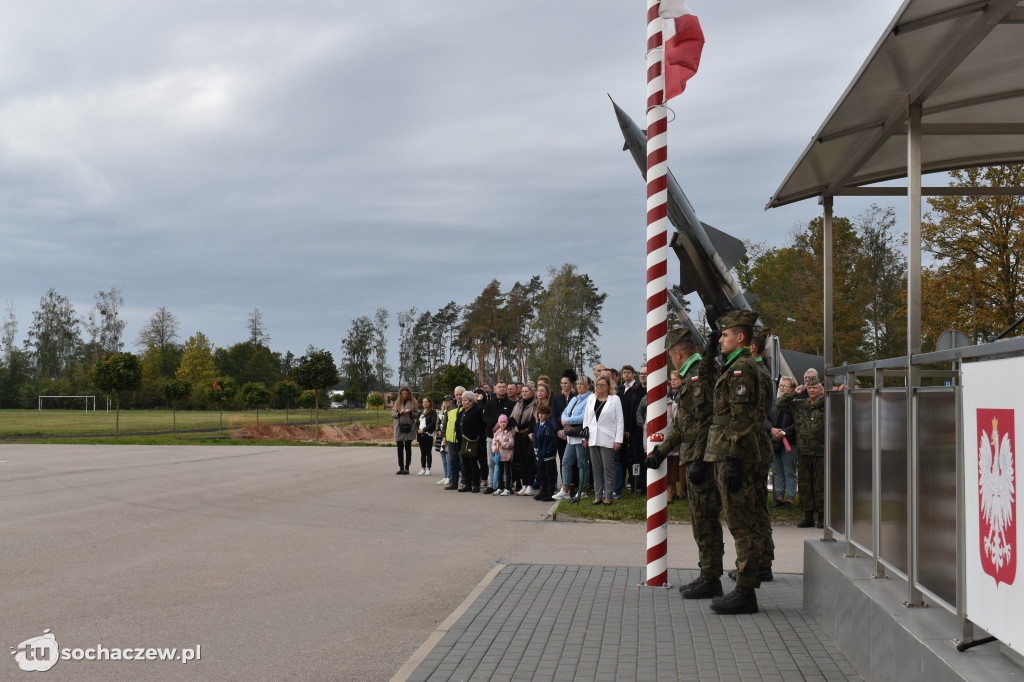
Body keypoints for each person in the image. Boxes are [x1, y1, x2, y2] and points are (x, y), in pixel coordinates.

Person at [647, 327, 721, 600]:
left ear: (678, 354)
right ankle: (707, 574)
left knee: (705, 520)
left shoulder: (697, 376)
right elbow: (683, 425)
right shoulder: (692, 377)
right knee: (699, 520)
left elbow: (705, 424)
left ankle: (711, 577)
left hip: (701, 458)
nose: (672, 363)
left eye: (671, 358)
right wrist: (661, 451)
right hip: (693, 456)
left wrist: (700, 458)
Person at [704, 310, 765, 615]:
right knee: (739, 522)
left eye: (725, 335)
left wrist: (733, 459)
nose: (721, 340)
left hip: (735, 455)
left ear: (741, 337)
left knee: (742, 525)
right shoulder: (733, 367)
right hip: (727, 453)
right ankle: (744, 587)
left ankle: (745, 591)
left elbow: (741, 420)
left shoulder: (742, 369)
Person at [776, 375, 826, 528]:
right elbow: (779, 404)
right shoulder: (800, 404)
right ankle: (808, 516)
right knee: (805, 485)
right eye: (809, 388)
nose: (811, 390)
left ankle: (823, 516)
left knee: (820, 485)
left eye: (814, 387)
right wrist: (795, 393)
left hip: (821, 452)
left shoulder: (826, 404)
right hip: (804, 452)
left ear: (821, 389)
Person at [582, 375, 624, 506]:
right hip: (593, 437)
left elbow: (619, 420)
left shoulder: (615, 399)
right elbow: (586, 418)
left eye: (602, 385)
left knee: (608, 468)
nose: (599, 387)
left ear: (608, 386)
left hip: (608, 438)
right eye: (598, 385)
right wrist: (585, 437)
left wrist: (618, 440)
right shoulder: (590, 398)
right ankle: (598, 496)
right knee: (596, 469)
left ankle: (608, 496)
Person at [555, 376, 592, 501]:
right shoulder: (575, 398)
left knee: (582, 463)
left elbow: (584, 416)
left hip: (580, 435)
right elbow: (565, 412)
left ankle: (582, 490)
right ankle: (565, 489)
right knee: (566, 462)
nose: (579, 386)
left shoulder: (590, 398)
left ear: (588, 386)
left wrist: (567, 421)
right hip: (571, 435)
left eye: (582, 384)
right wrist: (565, 422)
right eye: (578, 384)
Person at [768, 377, 798, 505]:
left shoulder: (796, 404)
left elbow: (798, 423)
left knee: (789, 471)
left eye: (785, 386)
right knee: (777, 471)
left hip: (789, 442)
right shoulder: (773, 403)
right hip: (774, 442)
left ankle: (790, 498)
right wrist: (771, 429)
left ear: (792, 389)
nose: (782, 388)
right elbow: (765, 418)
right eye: (781, 386)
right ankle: (779, 498)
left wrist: (784, 432)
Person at [482, 382, 515, 494]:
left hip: (505, 439)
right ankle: (491, 485)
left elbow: (512, 418)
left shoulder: (510, 404)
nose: (501, 389)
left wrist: (502, 424)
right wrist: (494, 424)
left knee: (505, 464)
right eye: (499, 387)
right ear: (494, 389)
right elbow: (485, 417)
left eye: (503, 387)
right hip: (492, 437)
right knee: (491, 462)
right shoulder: (489, 403)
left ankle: (505, 486)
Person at [620, 364, 646, 495]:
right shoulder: (631, 390)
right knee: (634, 458)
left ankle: (642, 483)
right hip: (630, 429)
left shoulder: (643, 390)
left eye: (645, 374)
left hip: (642, 429)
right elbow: (629, 411)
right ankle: (637, 483)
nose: (643, 376)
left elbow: (639, 410)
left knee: (641, 458)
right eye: (641, 373)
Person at [510, 383, 538, 495]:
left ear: (531, 393)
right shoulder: (518, 403)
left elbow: (533, 419)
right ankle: (524, 484)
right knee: (521, 461)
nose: (524, 393)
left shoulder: (535, 404)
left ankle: (530, 485)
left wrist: (521, 428)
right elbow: (512, 417)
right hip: (517, 435)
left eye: (526, 391)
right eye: (523, 391)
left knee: (529, 461)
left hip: (527, 435)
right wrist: (516, 426)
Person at [456, 391, 482, 493]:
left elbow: (479, 427)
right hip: (462, 440)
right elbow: (457, 425)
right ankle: (467, 484)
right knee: (464, 463)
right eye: (462, 400)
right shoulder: (462, 412)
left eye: (466, 400)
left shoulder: (476, 412)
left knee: (472, 463)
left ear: (471, 401)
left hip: (472, 441)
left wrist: (472, 435)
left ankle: (475, 484)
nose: (463, 402)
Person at [391, 385, 418, 475]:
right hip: (399, 427)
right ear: (400, 394)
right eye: (403, 393)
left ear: (409, 393)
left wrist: (410, 412)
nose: (405, 395)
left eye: (406, 393)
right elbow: (392, 414)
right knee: (399, 448)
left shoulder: (413, 402)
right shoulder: (397, 402)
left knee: (408, 448)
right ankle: (401, 467)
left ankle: (407, 468)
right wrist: (399, 413)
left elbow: (417, 415)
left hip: (409, 427)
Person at [533, 404, 558, 501]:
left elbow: (553, 440)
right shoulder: (538, 424)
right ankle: (542, 492)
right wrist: (535, 448)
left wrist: (548, 450)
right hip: (539, 454)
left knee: (549, 474)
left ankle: (549, 493)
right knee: (541, 474)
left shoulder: (550, 425)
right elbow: (536, 438)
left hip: (548, 455)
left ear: (548, 415)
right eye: (540, 413)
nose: (541, 415)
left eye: (543, 414)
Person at [443, 387, 465, 490]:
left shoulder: (466, 406)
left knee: (463, 462)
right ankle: (453, 482)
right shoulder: (450, 407)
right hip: (450, 439)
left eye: (461, 394)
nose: (459, 396)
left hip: (462, 439)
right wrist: (444, 436)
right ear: (454, 395)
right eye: (457, 394)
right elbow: (445, 422)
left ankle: (464, 482)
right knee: (452, 461)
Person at [492, 414, 516, 495]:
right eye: (501, 422)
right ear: (498, 423)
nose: (503, 424)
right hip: (499, 456)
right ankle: (500, 487)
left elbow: (511, 444)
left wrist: (502, 443)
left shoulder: (509, 433)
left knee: (507, 472)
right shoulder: (497, 433)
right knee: (500, 472)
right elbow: (493, 442)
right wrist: (494, 448)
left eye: (504, 422)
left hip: (507, 456)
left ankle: (508, 488)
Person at [415, 396, 437, 476]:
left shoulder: (432, 412)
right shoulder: (420, 413)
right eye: (423, 402)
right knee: (422, 452)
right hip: (420, 435)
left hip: (428, 435)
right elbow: (417, 423)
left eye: (426, 402)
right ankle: (423, 468)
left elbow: (433, 423)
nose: (424, 404)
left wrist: (424, 430)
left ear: (430, 403)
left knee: (428, 452)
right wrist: (417, 430)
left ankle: (428, 469)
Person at [436, 395, 454, 484]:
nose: (446, 403)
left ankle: (449, 477)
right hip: (441, 438)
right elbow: (438, 423)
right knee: (443, 458)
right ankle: (445, 476)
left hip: (448, 437)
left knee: (448, 458)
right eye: (445, 401)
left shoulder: (452, 411)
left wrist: (445, 434)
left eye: (448, 401)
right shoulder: (441, 413)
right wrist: (438, 430)